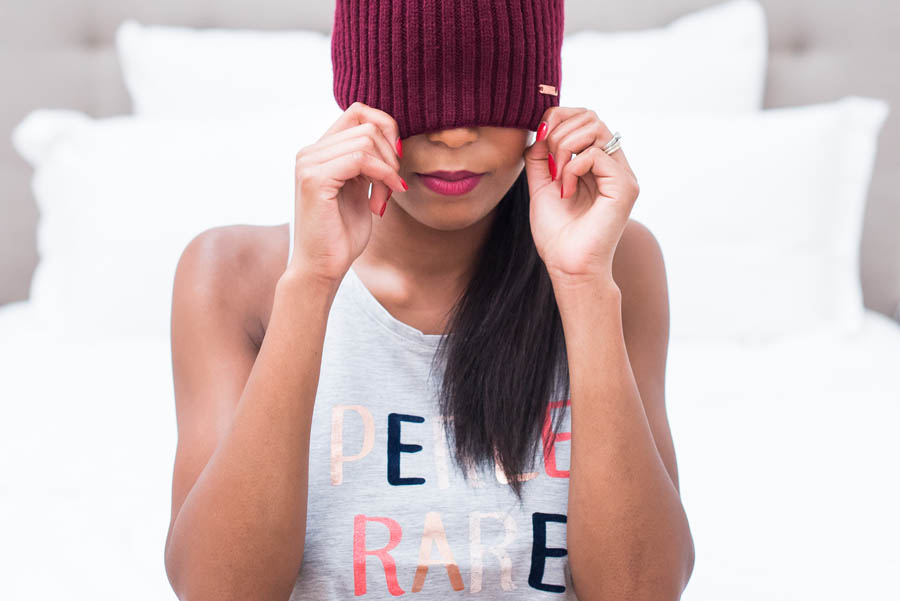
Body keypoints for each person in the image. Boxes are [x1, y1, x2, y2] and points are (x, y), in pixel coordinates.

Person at [163, 1, 694, 600]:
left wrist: (582, 286)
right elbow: (217, 592)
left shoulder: (617, 261)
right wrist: (311, 284)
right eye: (420, 93)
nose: (453, 133)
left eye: (490, 91)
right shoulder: (232, 277)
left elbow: (642, 591)